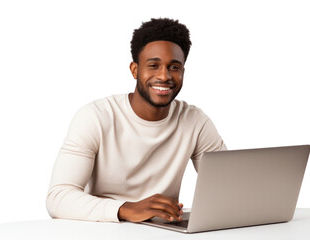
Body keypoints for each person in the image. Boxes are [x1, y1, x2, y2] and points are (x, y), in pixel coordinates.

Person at [46, 18, 227, 223]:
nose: (164, 76)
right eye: (153, 65)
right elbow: (58, 198)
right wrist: (126, 209)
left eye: (174, 67)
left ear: (183, 72)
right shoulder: (95, 117)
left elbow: (229, 185)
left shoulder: (195, 121)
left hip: (163, 232)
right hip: (102, 231)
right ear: (135, 70)